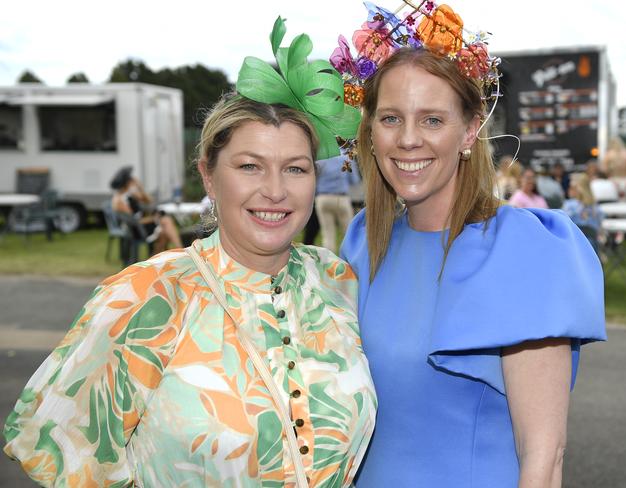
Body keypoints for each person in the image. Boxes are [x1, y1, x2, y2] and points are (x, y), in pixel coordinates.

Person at [4, 18, 376, 487]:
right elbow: (54, 444)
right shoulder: (145, 295)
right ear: (208, 176)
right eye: (249, 166)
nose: (275, 190)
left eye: (296, 169)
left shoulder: (337, 281)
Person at [332, 2, 606, 486]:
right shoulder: (361, 242)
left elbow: (543, 457)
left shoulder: (523, 248)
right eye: (391, 118)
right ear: (370, 131)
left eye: (433, 120)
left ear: (470, 129)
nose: (408, 139)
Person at [110, 166, 183, 256]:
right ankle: (181, 251)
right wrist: (153, 219)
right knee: (166, 221)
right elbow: (134, 221)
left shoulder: (129, 195)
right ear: (127, 182)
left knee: (164, 231)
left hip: (142, 225)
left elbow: (149, 201)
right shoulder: (120, 200)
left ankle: (158, 258)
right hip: (136, 230)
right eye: (132, 180)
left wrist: (140, 187)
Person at [315, 152, 361, 252]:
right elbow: (354, 180)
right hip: (342, 198)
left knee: (328, 234)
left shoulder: (321, 159)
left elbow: (314, 179)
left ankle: (328, 264)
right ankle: (350, 261)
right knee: (348, 234)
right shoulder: (346, 159)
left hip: (323, 198)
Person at [562, 172, 604, 253]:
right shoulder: (596, 208)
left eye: (571, 187)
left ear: (579, 189)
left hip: (573, 245)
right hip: (592, 247)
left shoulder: (570, 205)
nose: (569, 190)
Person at [601, 136, 626, 201]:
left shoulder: (609, 154)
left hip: (612, 181)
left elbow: (604, 169)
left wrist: (611, 168)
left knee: (613, 202)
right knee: (624, 201)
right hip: (625, 180)